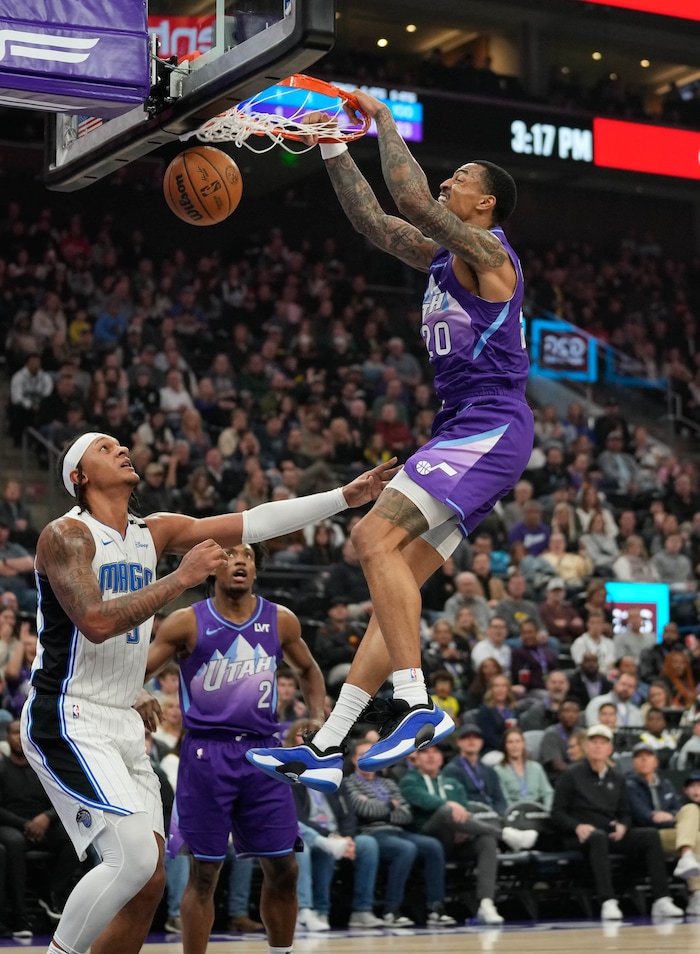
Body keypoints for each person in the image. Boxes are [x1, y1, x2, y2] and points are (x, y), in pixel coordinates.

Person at [248, 93, 533, 788]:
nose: (447, 181)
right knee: (393, 576)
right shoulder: (445, 257)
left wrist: (379, 121)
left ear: (486, 203)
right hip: (467, 426)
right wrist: (331, 146)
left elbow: (406, 196)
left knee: (370, 540)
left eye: (462, 177)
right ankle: (326, 745)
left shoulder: (488, 253)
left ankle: (416, 703)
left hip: (491, 423)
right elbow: (376, 221)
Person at [18, 431, 395, 954]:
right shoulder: (67, 535)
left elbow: (254, 520)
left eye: (121, 445)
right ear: (78, 477)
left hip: (121, 716)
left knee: (148, 882)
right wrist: (181, 579)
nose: (122, 449)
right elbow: (96, 622)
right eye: (105, 448)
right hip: (67, 713)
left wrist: (342, 499)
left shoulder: (153, 531)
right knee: (129, 860)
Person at [142, 541, 327, 954]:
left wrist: (316, 715)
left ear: (256, 570)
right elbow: (134, 671)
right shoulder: (185, 622)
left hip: (264, 755)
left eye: (247, 555)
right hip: (208, 755)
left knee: (285, 868)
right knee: (204, 874)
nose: (239, 561)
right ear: (211, 568)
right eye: (228, 555)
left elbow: (310, 669)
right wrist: (138, 690)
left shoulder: (281, 620)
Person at [551, 724, 684, 920]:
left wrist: (623, 826)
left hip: (609, 832)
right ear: (586, 747)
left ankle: (661, 899)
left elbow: (625, 813)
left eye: (602, 743)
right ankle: (608, 901)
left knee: (649, 835)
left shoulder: (618, 778)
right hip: (580, 835)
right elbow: (557, 813)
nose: (597, 746)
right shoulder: (571, 775)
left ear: (609, 749)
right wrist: (576, 826)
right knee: (598, 837)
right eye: (593, 742)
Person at [343, 739, 456, 927]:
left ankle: (435, 907)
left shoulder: (389, 783)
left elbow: (406, 814)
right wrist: (390, 807)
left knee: (433, 846)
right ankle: (391, 910)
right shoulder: (348, 783)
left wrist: (382, 811)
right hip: (372, 833)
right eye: (363, 755)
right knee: (405, 849)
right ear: (354, 760)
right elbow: (363, 809)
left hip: (397, 831)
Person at [399, 746, 505, 925]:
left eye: (435, 752)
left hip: (456, 840)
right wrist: (449, 805)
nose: (431, 756)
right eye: (425, 752)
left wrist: (463, 829)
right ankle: (505, 834)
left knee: (487, 840)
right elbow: (425, 801)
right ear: (416, 758)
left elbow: (467, 811)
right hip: (428, 837)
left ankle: (486, 904)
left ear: (442, 758)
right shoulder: (409, 781)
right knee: (445, 812)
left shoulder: (453, 783)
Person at [493, 726, 553, 809]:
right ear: (505, 746)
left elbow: (548, 793)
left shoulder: (536, 767)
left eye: (518, 741)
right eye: (510, 742)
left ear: (523, 744)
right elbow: (503, 799)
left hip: (536, 813)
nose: (514, 745)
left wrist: (547, 810)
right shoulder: (499, 770)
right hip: (512, 814)